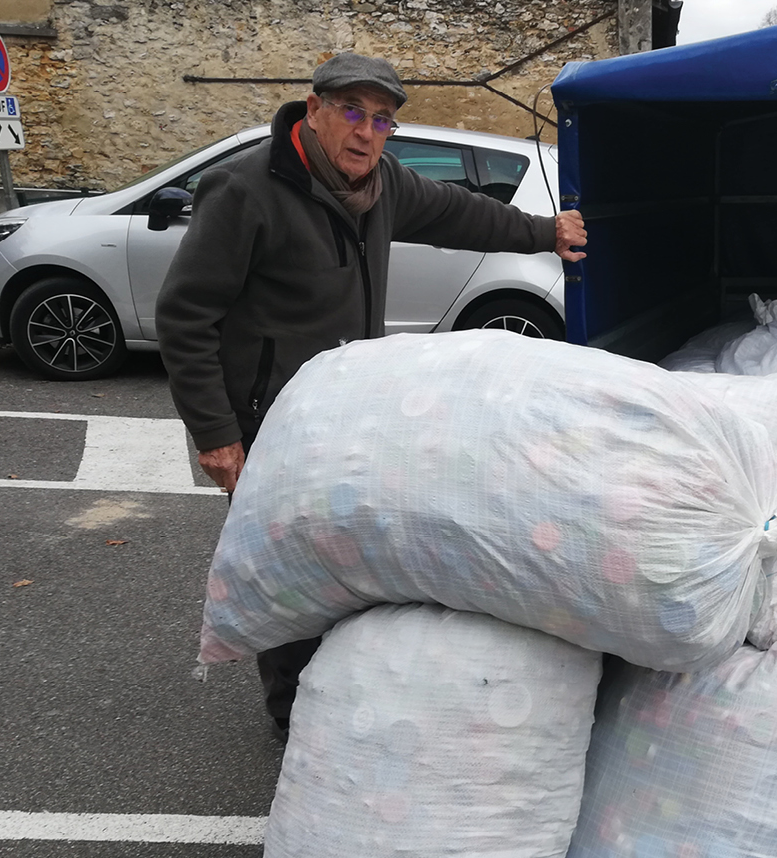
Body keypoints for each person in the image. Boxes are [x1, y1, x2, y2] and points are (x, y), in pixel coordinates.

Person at [156, 51, 587, 740]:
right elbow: (185, 315)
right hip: (266, 420)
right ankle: (294, 719)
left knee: (341, 554)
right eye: (352, 112)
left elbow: (458, 214)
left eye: (381, 120)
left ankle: (336, 687)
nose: (366, 131)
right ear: (315, 107)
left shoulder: (380, 184)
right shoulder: (244, 191)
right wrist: (215, 432)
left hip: (346, 413)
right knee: (288, 567)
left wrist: (544, 233)